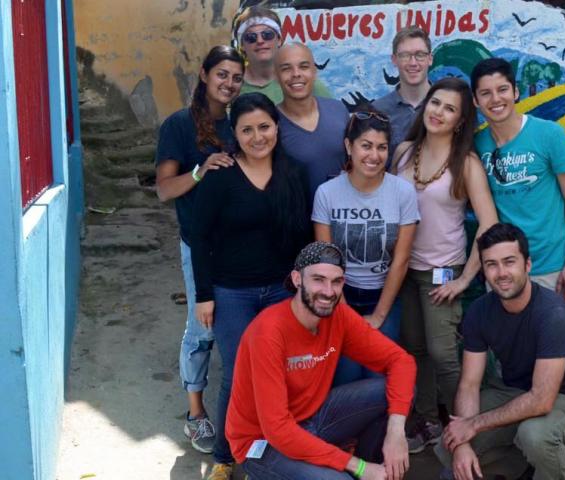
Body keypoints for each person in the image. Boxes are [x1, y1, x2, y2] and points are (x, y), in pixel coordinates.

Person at [190, 92, 310, 480]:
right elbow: (198, 239)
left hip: (281, 291)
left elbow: (303, 237)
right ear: (235, 135)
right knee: (240, 371)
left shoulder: (293, 173)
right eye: (247, 130)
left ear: (276, 127)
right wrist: (205, 295)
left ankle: (279, 443)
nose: (257, 136)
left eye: (264, 127)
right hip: (231, 292)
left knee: (283, 370)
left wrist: (302, 290)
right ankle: (226, 456)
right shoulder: (221, 176)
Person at [226, 241, 417, 480]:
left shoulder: (338, 316)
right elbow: (278, 431)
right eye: (318, 279)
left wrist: (396, 433)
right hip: (262, 443)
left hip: (313, 419)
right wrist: (356, 466)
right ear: (297, 279)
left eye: (336, 282)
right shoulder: (268, 333)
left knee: (396, 393)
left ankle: (374, 470)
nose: (328, 291)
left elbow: (401, 362)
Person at [435, 223, 565, 480]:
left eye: (509, 262)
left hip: (563, 398)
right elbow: (470, 384)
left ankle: (540, 468)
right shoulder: (479, 311)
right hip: (512, 390)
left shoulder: (553, 314)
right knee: (449, 444)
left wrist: (473, 425)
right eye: (491, 264)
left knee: (534, 436)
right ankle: (516, 466)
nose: (501, 272)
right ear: (483, 270)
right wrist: (462, 444)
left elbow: (542, 399)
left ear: (527, 265)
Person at [392, 77, 498, 453]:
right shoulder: (404, 152)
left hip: (443, 272)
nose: (439, 112)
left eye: (450, 108)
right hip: (403, 270)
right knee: (413, 350)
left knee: (442, 353)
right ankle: (428, 423)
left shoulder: (465, 162)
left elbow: (488, 223)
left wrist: (465, 279)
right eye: (435, 103)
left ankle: (463, 427)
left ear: (460, 120)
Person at [155, 45, 243, 455]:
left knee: (237, 328)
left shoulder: (241, 123)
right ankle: (195, 414)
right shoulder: (178, 126)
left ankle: (241, 413)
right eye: (222, 74)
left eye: (236, 77)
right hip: (199, 243)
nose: (228, 83)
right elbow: (163, 190)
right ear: (205, 75)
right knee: (202, 327)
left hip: (239, 244)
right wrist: (200, 169)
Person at [312, 108, 419, 384]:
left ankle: (383, 428)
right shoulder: (327, 193)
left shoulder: (403, 193)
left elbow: (401, 259)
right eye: (366, 146)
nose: (374, 156)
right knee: (345, 373)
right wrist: (347, 316)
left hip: (383, 296)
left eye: (382, 147)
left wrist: (379, 314)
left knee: (376, 374)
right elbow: (327, 260)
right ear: (349, 146)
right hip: (339, 295)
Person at [470, 58, 565, 301]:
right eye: (486, 93)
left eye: (502, 90)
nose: (496, 99)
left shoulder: (549, 134)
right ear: (475, 101)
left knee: (549, 335)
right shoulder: (479, 145)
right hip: (502, 266)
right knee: (506, 337)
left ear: (516, 92)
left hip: (549, 265)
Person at [275, 42, 350, 198]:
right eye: (286, 68)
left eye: (303, 66)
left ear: (314, 72)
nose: (296, 74)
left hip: (343, 215)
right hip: (298, 218)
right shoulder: (271, 123)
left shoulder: (338, 110)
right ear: (276, 76)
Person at [231, 5, 332, 104]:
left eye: (267, 35)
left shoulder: (301, 80)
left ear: (279, 39)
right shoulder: (232, 85)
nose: (260, 41)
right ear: (242, 45)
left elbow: (334, 116)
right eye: (251, 37)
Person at [372, 26, 432, 163]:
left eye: (420, 55)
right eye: (404, 55)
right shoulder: (377, 111)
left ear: (430, 59)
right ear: (394, 60)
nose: (413, 63)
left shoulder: (446, 106)